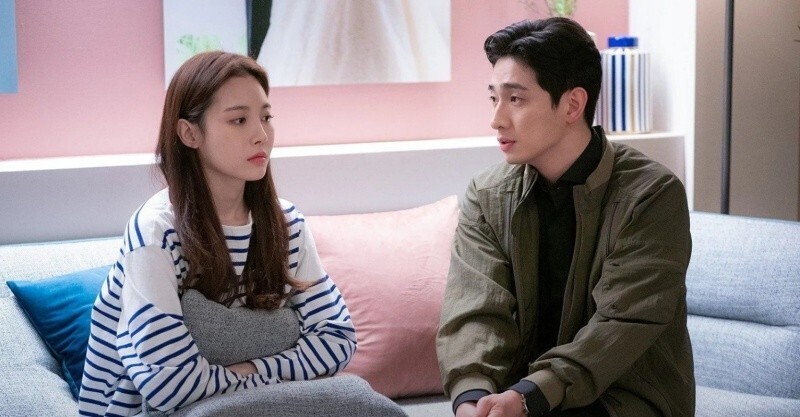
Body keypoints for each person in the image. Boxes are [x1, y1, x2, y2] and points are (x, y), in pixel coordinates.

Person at [437, 18, 693, 417]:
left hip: (622, 400)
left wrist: (528, 397)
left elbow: (621, 324)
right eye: (493, 99)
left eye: (515, 99)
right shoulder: (487, 196)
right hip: (519, 400)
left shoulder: (651, 195)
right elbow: (475, 312)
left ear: (573, 104)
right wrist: (471, 399)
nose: (497, 119)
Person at [78, 51, 356, 416]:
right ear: (190, 133)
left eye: (266, 117)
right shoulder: (156, 232)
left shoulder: (287, 224)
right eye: (239, 120)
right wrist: (283, 368)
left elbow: (338, 339)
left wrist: (249, 370)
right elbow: (168, 386)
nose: (261, 135)